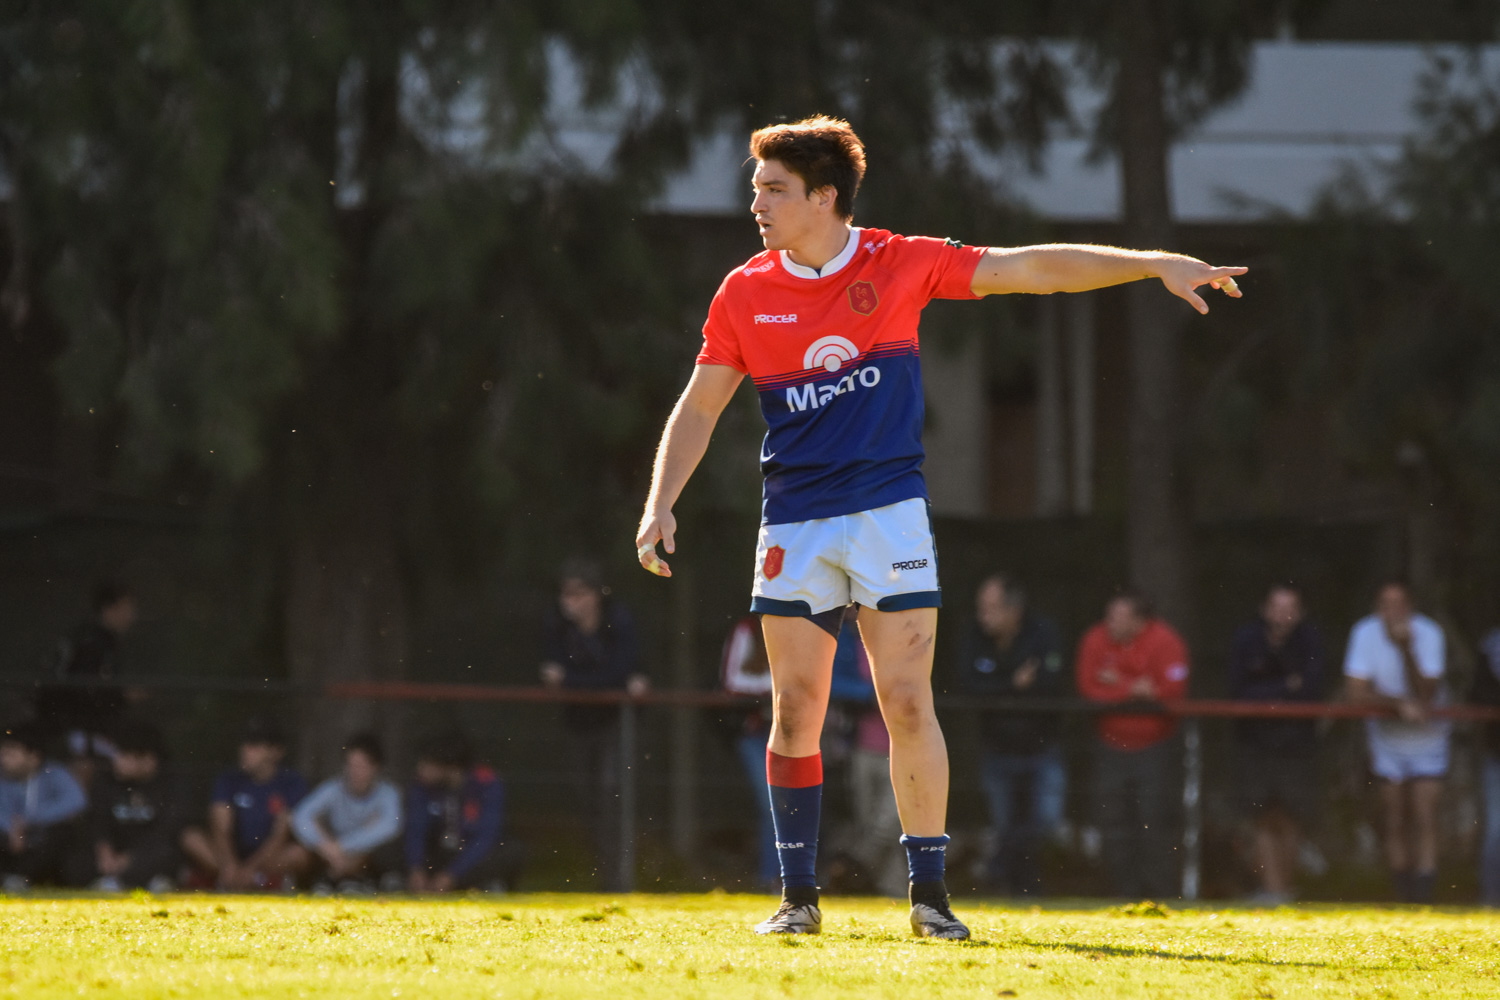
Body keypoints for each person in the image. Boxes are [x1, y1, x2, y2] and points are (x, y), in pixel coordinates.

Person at [632, 115, 1244, 936]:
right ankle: (798, 899)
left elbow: (1031, 270)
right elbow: (701, 406)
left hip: (889, 516)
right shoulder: (745, 290)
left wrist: (1152, 266)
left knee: (908, 704)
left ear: (824, 197)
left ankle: (929, 898)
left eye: (773, 189)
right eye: (756, 189)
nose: (757, 203)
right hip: (797, 523)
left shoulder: (901, 262)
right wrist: (659, 499)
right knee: (795, 709)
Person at [538, 559, 648, 892]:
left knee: (613, 794)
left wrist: (571, 680)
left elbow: (622, 669)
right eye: (565, 594)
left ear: (595, 595)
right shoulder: (556, 625)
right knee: (585, 798)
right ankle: (599, 875)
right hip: (578, 724)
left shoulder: (619, 621)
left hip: (617, 724)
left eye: (578, 593)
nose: (569, 601)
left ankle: (619, 878)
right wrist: (604, 682)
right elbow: (613, 676)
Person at [954, 573, 1067, 896]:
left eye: (991, 608)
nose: (983, 616)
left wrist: (998, 689)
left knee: (1044, 822)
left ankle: (1004, 874)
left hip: (1041, 746)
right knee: (1005, 823)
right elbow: (968, 686)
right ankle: (1011, 883)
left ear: (1013, 610)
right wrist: (1012, 685)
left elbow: (1053, 682)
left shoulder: (1043, 633)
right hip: (997, 748)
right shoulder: (974, 636)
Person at [1075, 591, 1190, 899]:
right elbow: (1089, 690)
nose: (1108, 622)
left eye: (1117, 616)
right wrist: (1135, 689)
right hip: (1109, 747)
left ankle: (1160, 894)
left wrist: (1116, 683)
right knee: (1113, 822)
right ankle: (1119, 893)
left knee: (1155, 821)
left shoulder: (1166, 641)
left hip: (1156, 747)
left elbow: (1172, 692)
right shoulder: (1095, 639)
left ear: (1139, 620)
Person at [1344, 581, 1450, 903]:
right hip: (1387, 738)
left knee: (1424, 812)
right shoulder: (1364, 632)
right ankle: (1402, 892)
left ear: (1410, 607)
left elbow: (1425, 694)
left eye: (1398, 603)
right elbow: (1355, 692)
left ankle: (1425, 891)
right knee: (1394, 813)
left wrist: (1405, 648)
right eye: (1385, 604)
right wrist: (1397, 706)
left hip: (1428, 738)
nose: (1391, 611)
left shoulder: (1430, 634)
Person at [1227, 584, 1326, 902]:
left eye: (1291, 608)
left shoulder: (1309, 640)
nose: (1284, 615)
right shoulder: (1247, 639)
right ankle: (1272, 889)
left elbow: (1313, 688)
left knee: (1290, 816)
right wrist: (1286, 686)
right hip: (1255, 742)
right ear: (1265, 609)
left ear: (1300, 612)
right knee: (1262, 815)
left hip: (1296, 744)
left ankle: (1285, 887)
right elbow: (1237, 691)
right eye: (1278, 607)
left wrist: (1265, 691)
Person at [181, 717, 308, 890]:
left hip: (269, 857)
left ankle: (250, 879)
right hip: (229, 855)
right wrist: (230, 865)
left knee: (299, 854)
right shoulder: (228, 779)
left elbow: (281, 834)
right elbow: (220, 827)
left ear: (276, 751)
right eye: (245, 744)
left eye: (254, 746)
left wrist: (250, 868)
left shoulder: (291, 782)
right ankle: (245, 880)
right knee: (192, 838)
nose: (245, 751)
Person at [69, 721, 190, 892]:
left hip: (146, 855)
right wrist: (106, 854)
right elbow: (98, 822)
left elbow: (167, 831)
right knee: (77, 858)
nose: (117, 761)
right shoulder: (106, 781)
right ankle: (114, 880)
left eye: (124, 756)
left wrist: (128, 859)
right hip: (114, 854)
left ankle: (127, 882)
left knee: (167, 853)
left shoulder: (171, 785)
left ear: (148, 760)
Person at [35, 580, 137, 769]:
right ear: (109, 608)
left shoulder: (99, 640)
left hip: (80, 728)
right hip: (76, 728)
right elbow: (84, 687)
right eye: (127, 608)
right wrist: (121, 696)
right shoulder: (93, 641)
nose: (131, 615)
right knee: (85, 769)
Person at [405, 732, 523, 893]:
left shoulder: (485, 783)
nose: (421, 769)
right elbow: (416, 829)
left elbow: (486, 836)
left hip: (469, 855)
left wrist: (452, 875)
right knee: (391, 849)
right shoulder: (422, 786)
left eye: (428, 764)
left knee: (511, 851)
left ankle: (475, 884)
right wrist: (416, 868)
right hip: (440, 852)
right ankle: (410, 881)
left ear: (449, 767)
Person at [289, 733, 403, 892]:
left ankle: (354, 882)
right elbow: (301, 816)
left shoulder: (388, 793)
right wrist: (325, 845)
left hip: (365, 858)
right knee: (298, 853)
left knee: (364, 855)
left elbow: (390, 826)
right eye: (351, 765)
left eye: (361, 766)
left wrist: (343, 846)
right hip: (327, 855)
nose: (354, 772)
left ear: (375, 767)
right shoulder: (333, 788)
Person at [720, 614, 779, 889]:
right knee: (772, 803)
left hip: (795, 729)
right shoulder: (747, 628)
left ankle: (801, 877)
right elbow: (732, 681)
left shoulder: (806, 622)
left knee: (797, 802)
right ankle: (771, 879)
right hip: (756, 732)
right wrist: (777, 687)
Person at [0, 720, 87, 889]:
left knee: (63, 834)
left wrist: (29, 821)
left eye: (11, 754)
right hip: (8, 838)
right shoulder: (3, 779)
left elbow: (76, 800)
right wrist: (12, 828)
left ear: (33, 757)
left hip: (40, 838)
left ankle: (25, 878)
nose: (3, 759)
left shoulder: (54, 773)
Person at [1472, 627, 1500, 907]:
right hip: (1497, 751)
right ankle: (1491, 900)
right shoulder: (1491, 645)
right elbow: (1477, 692)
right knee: (1496, 829)